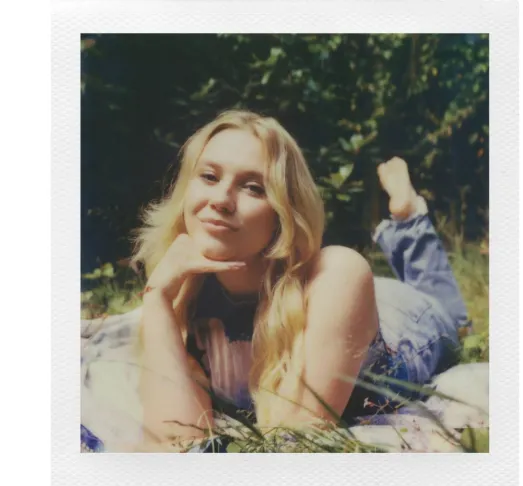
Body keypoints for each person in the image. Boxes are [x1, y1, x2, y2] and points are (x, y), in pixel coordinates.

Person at [83, 109, 471, 453]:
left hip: (396, 320)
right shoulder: (183, 289)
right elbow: (181, 442)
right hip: (334, 309)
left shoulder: (339, 271)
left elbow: (294, 437)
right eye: (209, 176)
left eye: (253, 187)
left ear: (284, 212)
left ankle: (408, 219)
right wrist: (156, 300)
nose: (221, 199)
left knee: (454, 319)